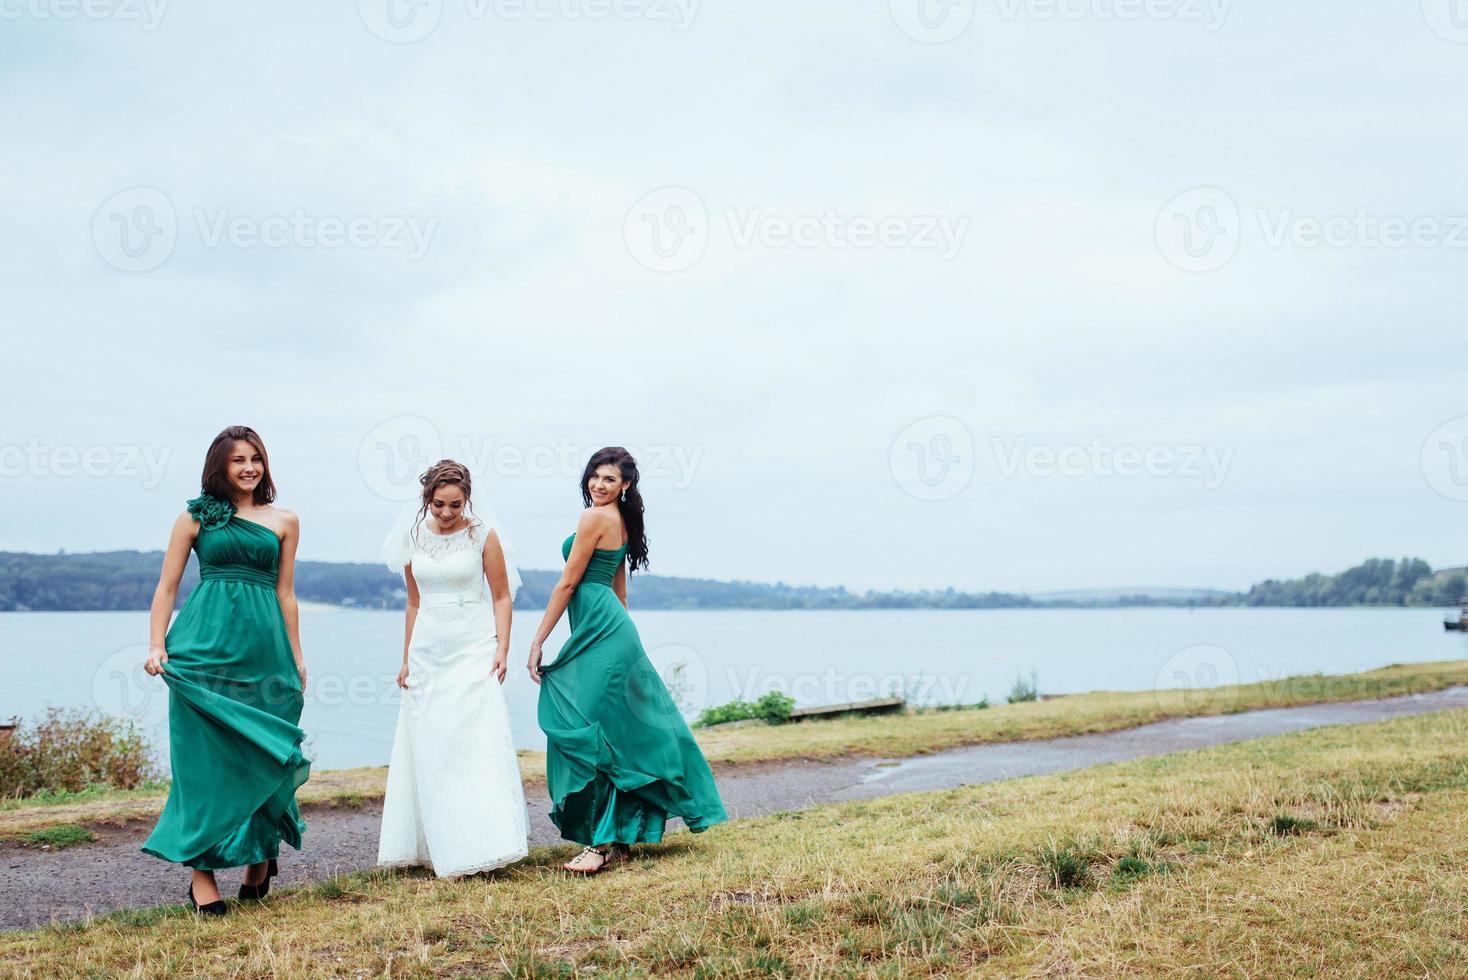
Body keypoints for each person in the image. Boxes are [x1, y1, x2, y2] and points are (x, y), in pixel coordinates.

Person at [529, 447, 726, 874]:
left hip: (603, 632)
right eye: (594, 477)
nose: (598, 485)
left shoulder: (593, 518)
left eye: (609, 480)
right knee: (611, 729)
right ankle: (617, 840)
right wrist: (623, 644)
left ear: (626, 485)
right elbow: (619, 594)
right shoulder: (620, 520)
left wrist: (537, 640)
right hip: (611, 630)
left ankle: (599, 846)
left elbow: (567, 584)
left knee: (586, 727)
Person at [142, 425, 310, 915]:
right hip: (202, 652)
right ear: (220, 466)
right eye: (238, 460)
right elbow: (167, 587)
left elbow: (286, 592)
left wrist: (296, 656)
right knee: (205, 767)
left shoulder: (285, 520)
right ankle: (202, 876)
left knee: (263, 754)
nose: (249, 467)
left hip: (265, 653)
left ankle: (261, 859)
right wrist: (156, 645)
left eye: (256, 458)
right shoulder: (194, 518)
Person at [376, 460, 529, 877]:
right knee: (433, 743)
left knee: (473, 740)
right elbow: (413, 601)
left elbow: (500, 596)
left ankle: (485, 843)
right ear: (427, 499)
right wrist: (407, 658)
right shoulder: (411, 538)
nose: (446, 513)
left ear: (467, 500)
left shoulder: (484, 535)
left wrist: (502, 647)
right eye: (438, 504)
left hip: (472, 644)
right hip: (428, 649)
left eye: (455, 505)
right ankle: (437, 844)